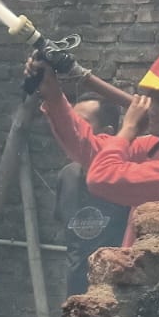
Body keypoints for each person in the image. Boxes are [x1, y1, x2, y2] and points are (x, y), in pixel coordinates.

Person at [27, 47, 159, 245]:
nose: (151, 110)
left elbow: (102, 178)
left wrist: (129, 129)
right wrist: (52, 94)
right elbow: (89, 149)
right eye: (151, 100)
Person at [55, 99, 131, 298]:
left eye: (81, 123)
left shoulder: (127, 179)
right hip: (75, 297)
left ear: (107, 132)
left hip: (116, 296)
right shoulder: (67, 176)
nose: (72, 130)